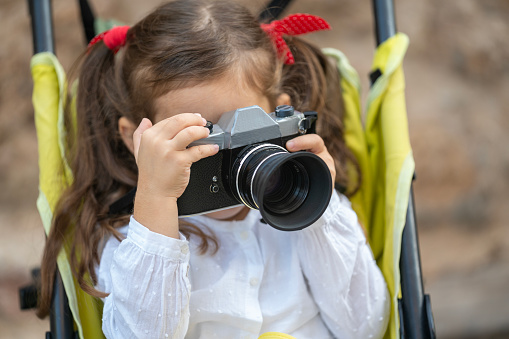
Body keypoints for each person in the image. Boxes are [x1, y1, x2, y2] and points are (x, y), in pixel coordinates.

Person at [37, 0, 390, 338]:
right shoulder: (127, 240)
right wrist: (156, 200)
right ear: (137, 140)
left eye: (243, 125)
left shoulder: (310, 202)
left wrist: (318, 207)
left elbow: (364, 329)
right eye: (200, 135)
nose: (228, 153)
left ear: (282, 114)